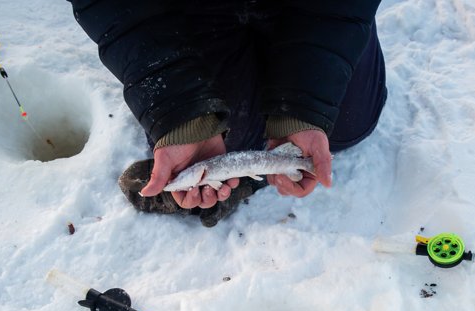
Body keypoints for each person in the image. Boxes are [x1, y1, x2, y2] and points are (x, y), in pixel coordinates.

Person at [67, 0, 387, 226]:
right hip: (185, 12)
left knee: (347, 121)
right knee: (220, 128)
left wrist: (302, 110)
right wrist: (182, 116)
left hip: (310, 8)